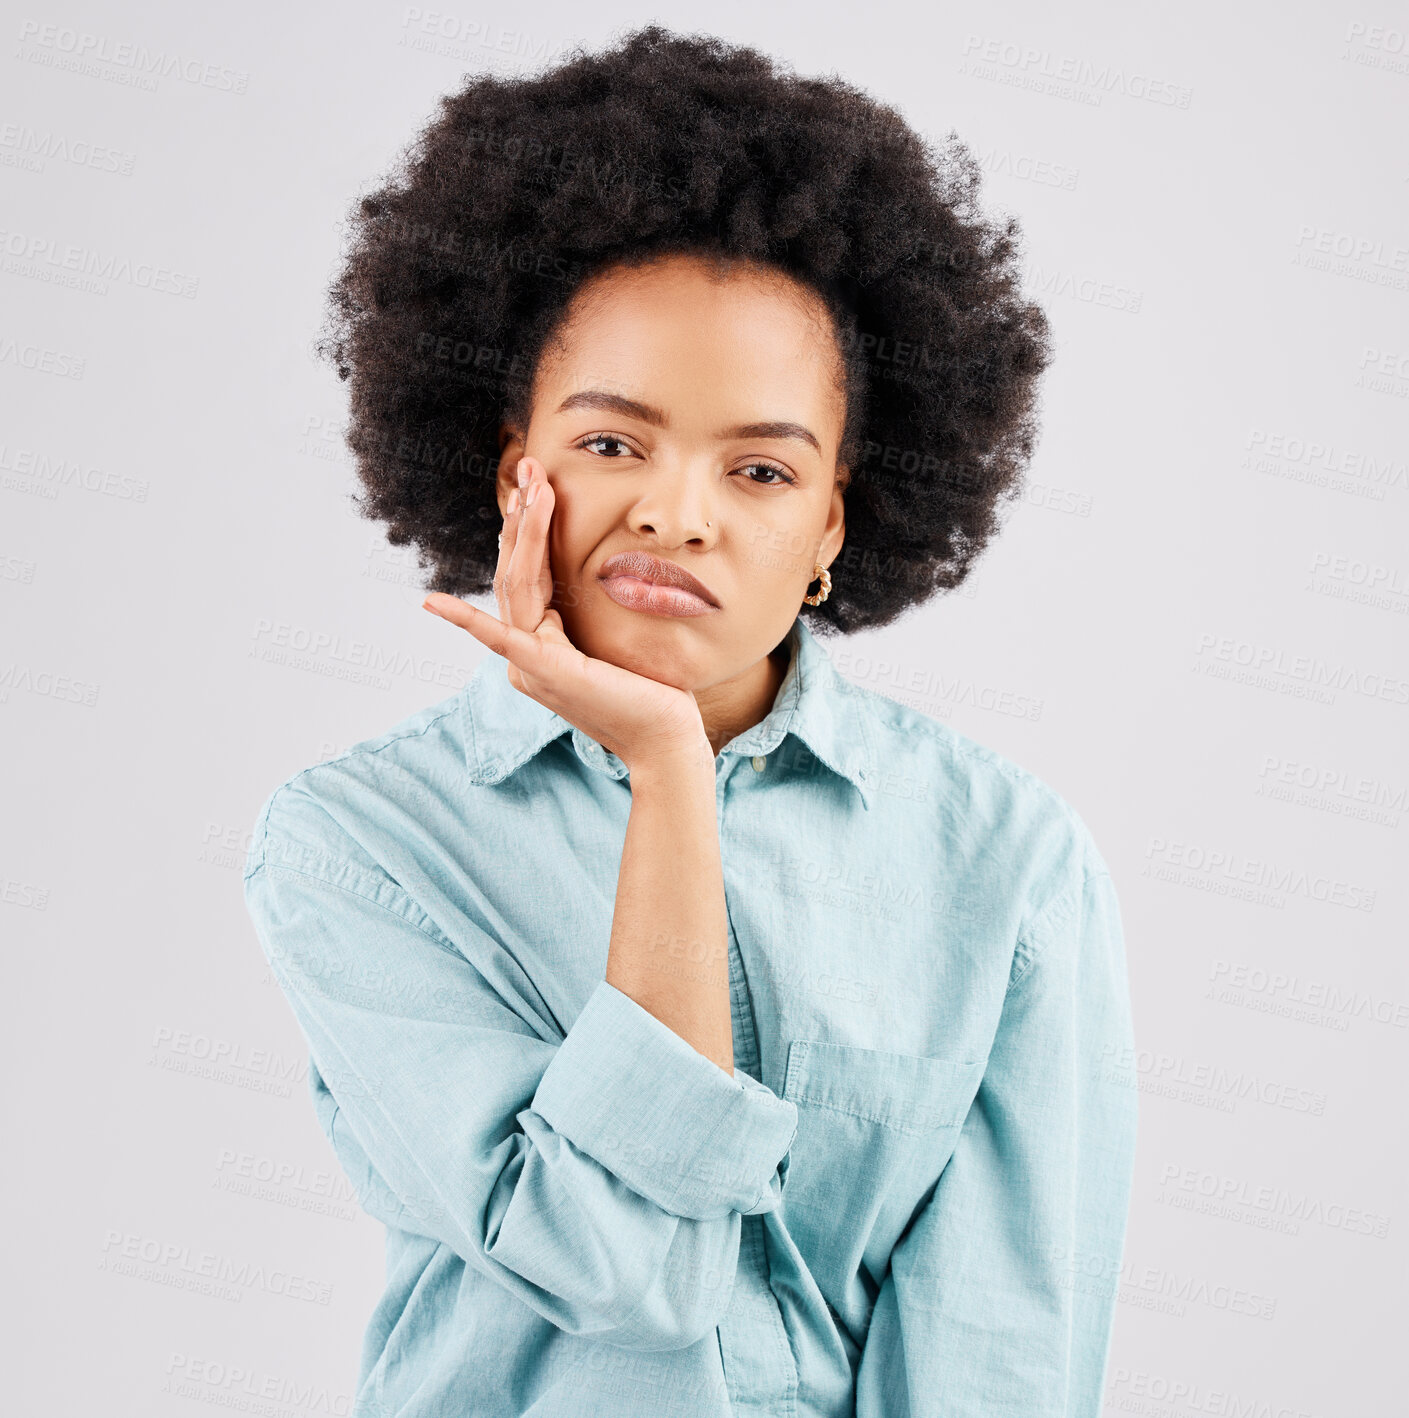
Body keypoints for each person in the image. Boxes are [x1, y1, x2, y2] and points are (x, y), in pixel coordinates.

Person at [243, 24, 1138, 1418]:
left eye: (762, 468)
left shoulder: (1004, 860)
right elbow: (624, 1268)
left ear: (834, 518)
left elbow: (1000, 1348)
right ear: (513, 469)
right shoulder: (360, 844)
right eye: (611, 443)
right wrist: (667, 769)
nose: (675, 510)